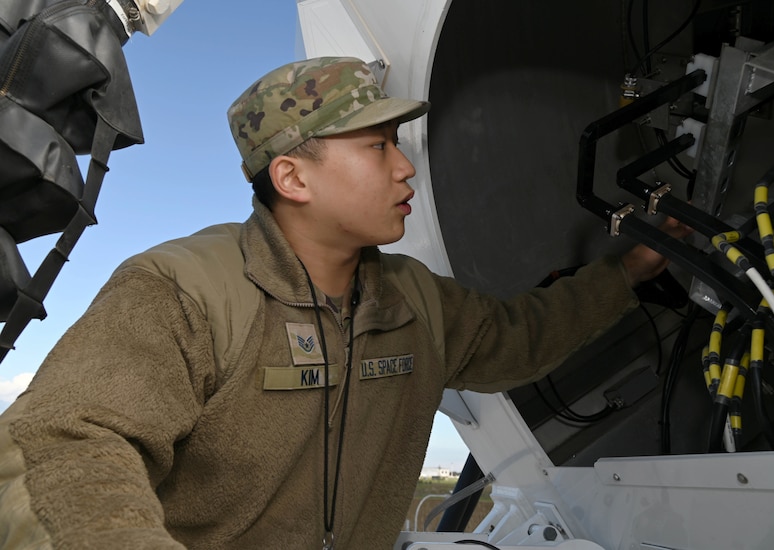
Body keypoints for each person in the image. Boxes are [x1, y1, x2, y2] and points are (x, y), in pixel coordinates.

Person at [0, 57, 687, 549]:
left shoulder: (415, 299)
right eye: (377, 146)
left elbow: (521, 337)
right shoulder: (182, 288)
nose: (405, 167)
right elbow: (70, 441)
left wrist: (630, 269)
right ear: (292, 176)